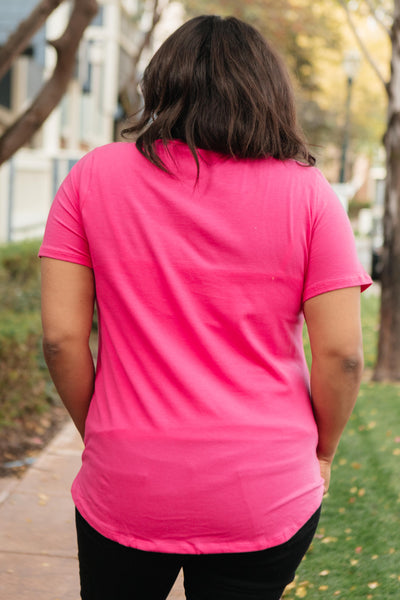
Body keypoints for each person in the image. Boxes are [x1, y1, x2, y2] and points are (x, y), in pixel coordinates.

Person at [39, 15, 372, 600]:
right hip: (264, 491)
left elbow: (62, 339)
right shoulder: (310, 193)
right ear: (268, 90)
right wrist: (323, 450)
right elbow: (342, 355)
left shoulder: (93, 177)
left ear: (161, 83)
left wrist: (103, 433)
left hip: (129, 478)